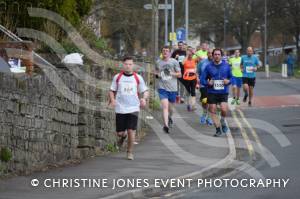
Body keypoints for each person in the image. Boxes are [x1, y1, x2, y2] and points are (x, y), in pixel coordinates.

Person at [109, 56, 149, 160]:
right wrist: (112, 100)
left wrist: (144, 99)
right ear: (123, 65)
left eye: (130, 64)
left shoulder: (137, 78)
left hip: (133, 108)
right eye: (126, 64)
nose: (128, 66)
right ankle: (123, 136)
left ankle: (130, 152)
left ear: (133, 65)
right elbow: (112, 90)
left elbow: (145, 91)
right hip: (120, 108)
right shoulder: (117, 77)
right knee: (120, 132)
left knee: (131, 130)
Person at [201, 48, 232, 137]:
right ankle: (218, 129)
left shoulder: (226, 66)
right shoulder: (208, 67)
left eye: (218, 54)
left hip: (223, 91)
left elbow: (232, 77)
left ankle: (222, 120)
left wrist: (228, 81)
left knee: (224, 109)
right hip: (212, 91)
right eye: (215, 54)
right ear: (213, 56)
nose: (217, 56)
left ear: (221, 56)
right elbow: (202, 79)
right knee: (212, 109)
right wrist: (207, 83)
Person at [156, 46, 182, 133]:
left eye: (167, 51)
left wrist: (171, 73)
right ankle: (166, 126)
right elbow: (156, 72)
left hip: (173, 88)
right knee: (165, 107)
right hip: (162, 87)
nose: (165, 52)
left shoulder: (174, 62)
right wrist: (158, 74)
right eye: (163, 51)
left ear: (170, 53)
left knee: (171, 109)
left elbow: (179, 75)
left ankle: (169, 117)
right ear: (161, 52)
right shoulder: (158, 62)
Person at [197, 49, 213, 125]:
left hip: (213, 85)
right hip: (203, 84)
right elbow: (198, 72)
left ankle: (209, 117)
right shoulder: (202, 62)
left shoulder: (216, 63)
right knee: (204, 100)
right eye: (209, 53)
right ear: (207, 54)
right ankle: (204, 113)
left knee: (211, 101)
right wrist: (198, 80)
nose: (210, 54)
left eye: (211, 53)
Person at [182, 46, 198, 111]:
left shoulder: (194, 60)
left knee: (193, 91)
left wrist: (195, 53)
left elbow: (201, 59)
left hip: (193, 77)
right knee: (188, 92)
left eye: (191, 54)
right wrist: (187, 55)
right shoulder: (185, 59)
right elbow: (182, 63)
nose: (190, 55)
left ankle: (193, 105)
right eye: (189, 53)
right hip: (186, 78)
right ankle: (188, 104)